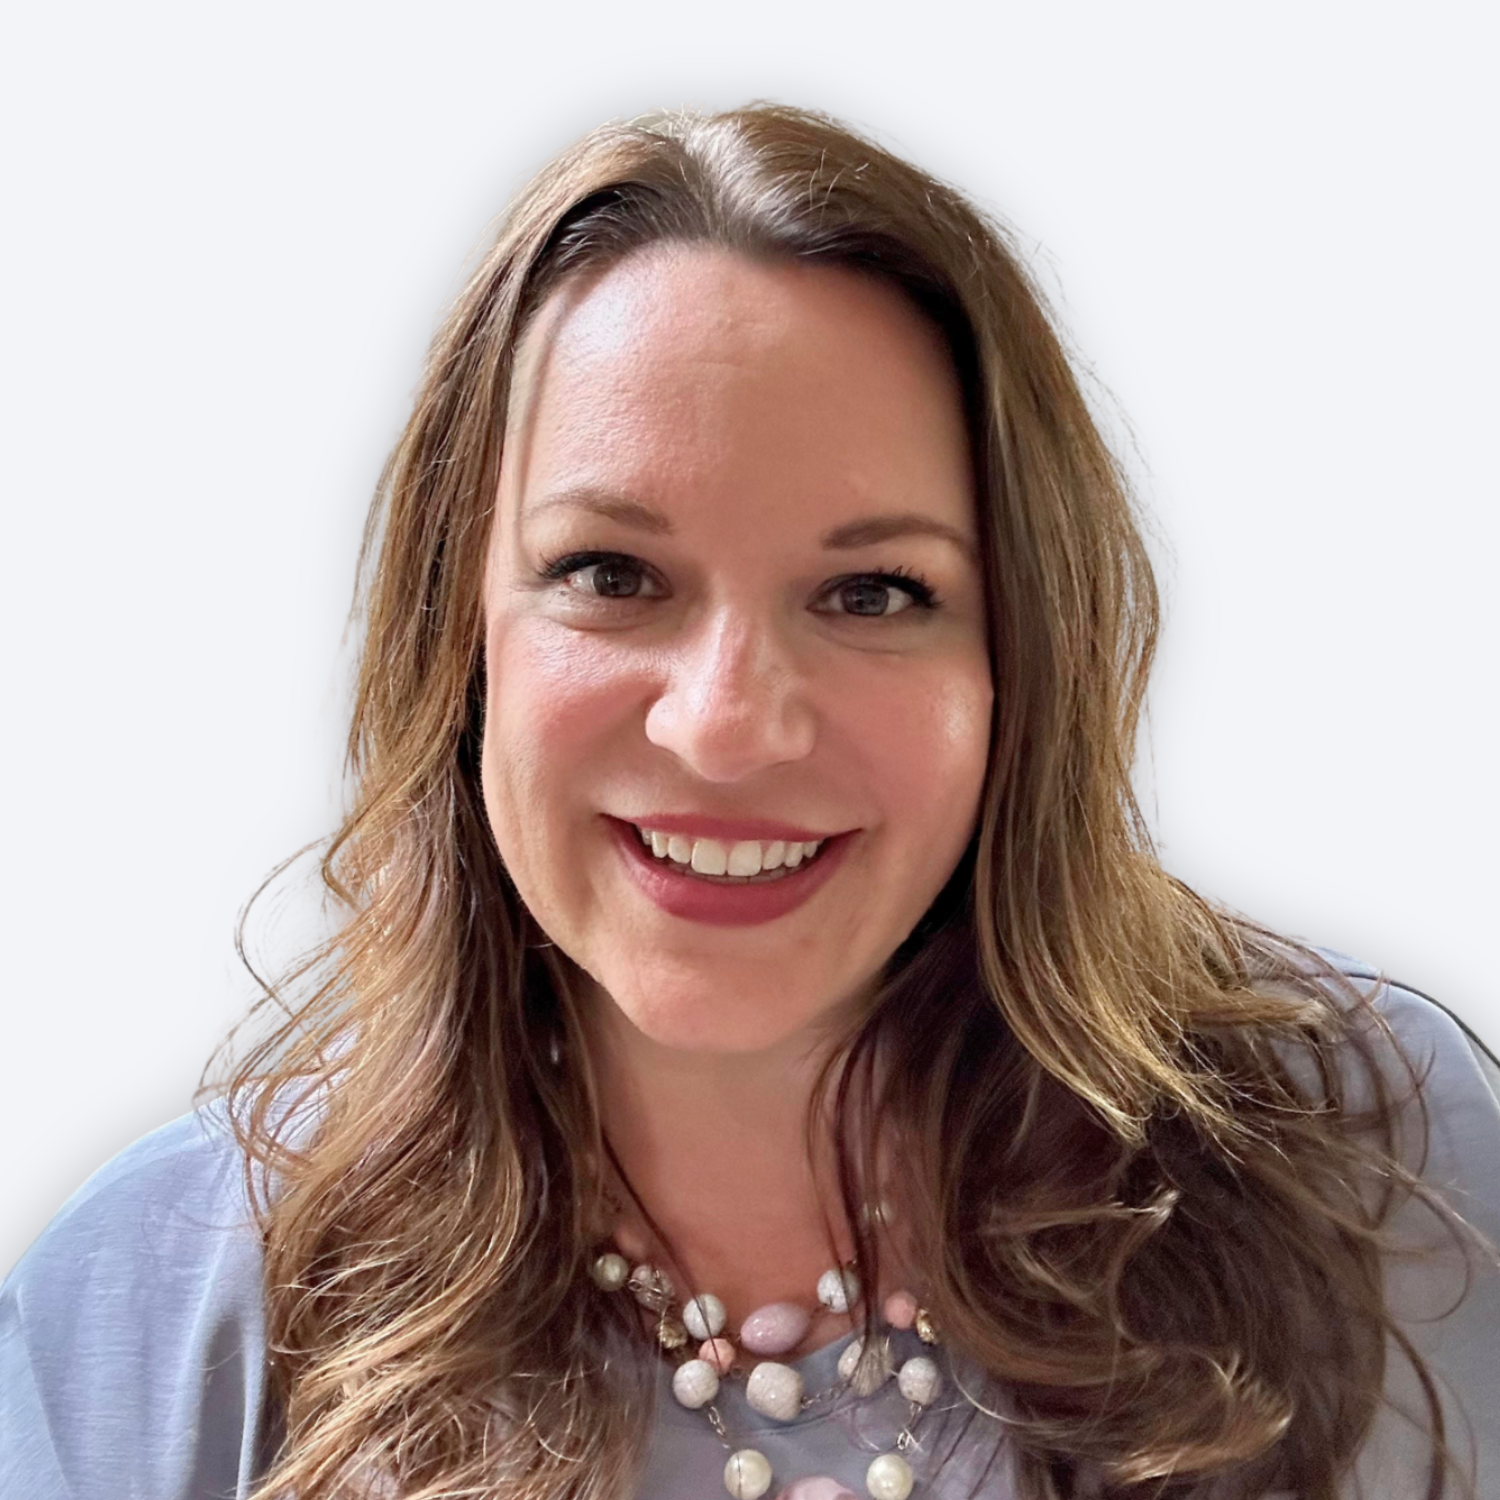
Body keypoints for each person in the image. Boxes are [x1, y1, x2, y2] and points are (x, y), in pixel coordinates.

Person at [2, 103, 1497, 1500]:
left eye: (871, 592)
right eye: (611, 575)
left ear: (1023, 664)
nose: (722, 727)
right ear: (457, 639)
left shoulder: (1383, 1167)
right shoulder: (141, 1323)